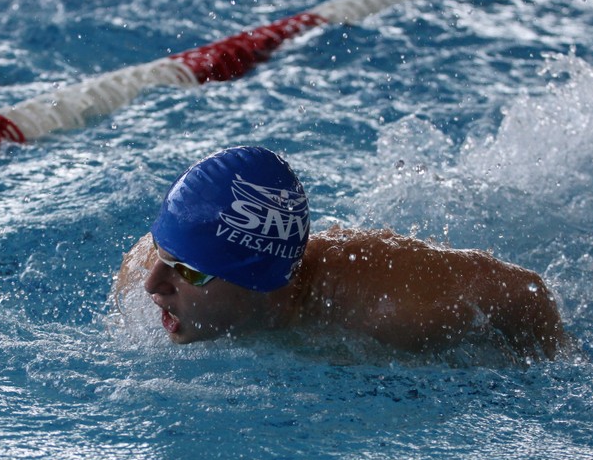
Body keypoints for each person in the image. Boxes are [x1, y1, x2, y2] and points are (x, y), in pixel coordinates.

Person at [116, 146, 565, 359]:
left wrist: (551, 363)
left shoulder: (396, 309)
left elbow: (525, 291)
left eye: (188, 271)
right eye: (159, 250)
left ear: (258, 279)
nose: (154, 285)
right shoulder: (139, 273)